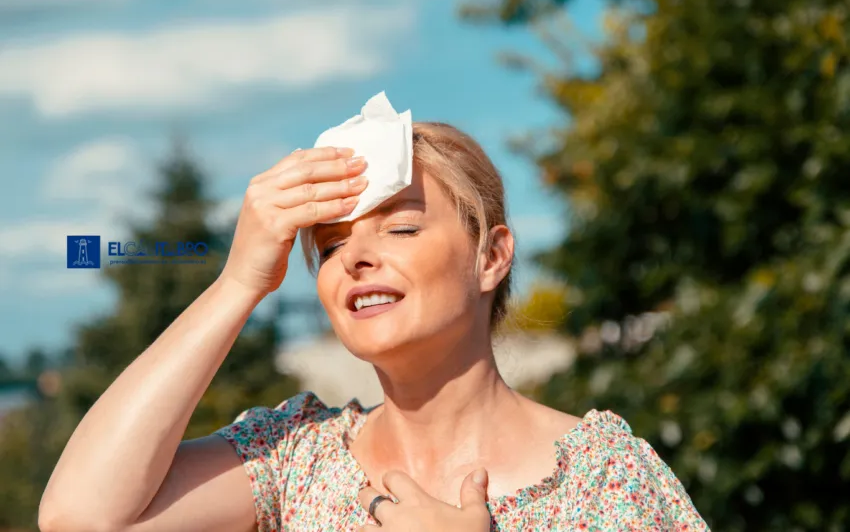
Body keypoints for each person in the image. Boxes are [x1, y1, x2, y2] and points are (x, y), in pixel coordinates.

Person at [39, 123, 709, 532]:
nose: (355, 257)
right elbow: (82, 517)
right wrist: (239, 282)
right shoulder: (294, 458)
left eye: (403, 227)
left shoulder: (607, 476)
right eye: (331, 245)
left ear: (491, 257)